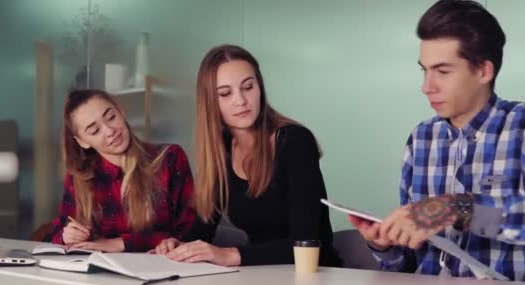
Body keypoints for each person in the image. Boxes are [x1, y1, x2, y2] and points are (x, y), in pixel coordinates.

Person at [350, 0, 525, 282]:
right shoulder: (421, 138)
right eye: (424, 70)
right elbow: (404, 266)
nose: (426, 86)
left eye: (443, 72)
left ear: (483, 71)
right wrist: (383, 245)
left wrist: (458, 208)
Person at [154, 45, 342, 267]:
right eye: (225, 93)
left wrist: (227, 255)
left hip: (315, 277)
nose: (240, 100)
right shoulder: (222, 149)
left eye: (248, 87)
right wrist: (179, 246)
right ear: (210, 103)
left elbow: (305, 243)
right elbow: (203, 229)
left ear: (259, 88)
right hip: (261, 278)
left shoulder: (295, 140)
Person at [48, 89, 196, 252]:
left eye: (111, 117)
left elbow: (190, 233)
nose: (110, 131)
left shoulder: (170, 158)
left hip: (164, 270)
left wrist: (120, 243)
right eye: (94, 131)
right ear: (83, 142)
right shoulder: (80, 177)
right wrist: (67, 235)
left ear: (121, 111)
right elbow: (58, 231)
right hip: (100, 273)